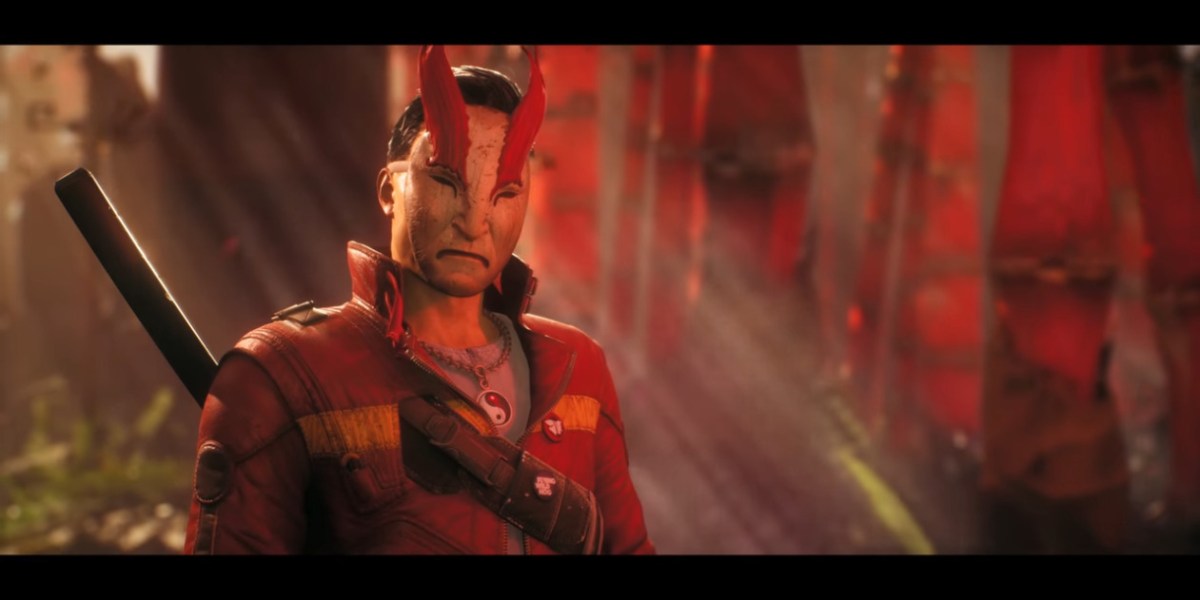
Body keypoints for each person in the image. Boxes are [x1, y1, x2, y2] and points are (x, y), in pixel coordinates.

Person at [182, 45, 655, 555]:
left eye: (504, 193)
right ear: (390, 191)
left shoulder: (578, 367)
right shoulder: (281, 372)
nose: (473, 223)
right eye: (447, 182)